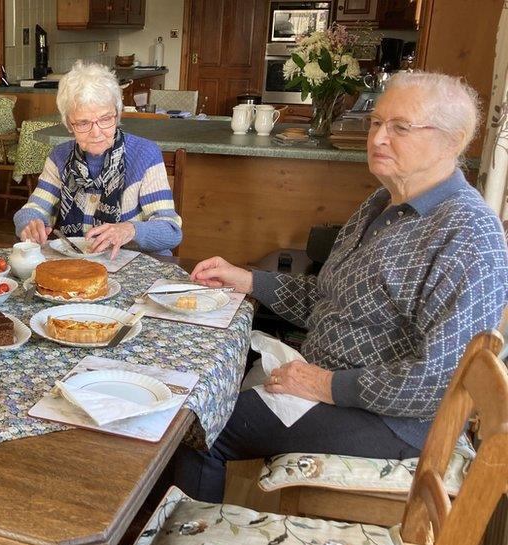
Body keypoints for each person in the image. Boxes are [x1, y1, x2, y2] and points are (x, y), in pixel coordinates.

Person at [178, 72, 508, 502]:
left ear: (453, 140)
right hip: (333, 382)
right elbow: (327, 299)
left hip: (393, 421)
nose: (378, 138)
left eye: (400, 127)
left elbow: (440, 382)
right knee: (197, 377)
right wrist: (248, 280)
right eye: (375, 123)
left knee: (199, 426)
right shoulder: (383, 203)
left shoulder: (467, 232)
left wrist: (324, 385)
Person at [13, 60, 182, 259]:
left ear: (117, 115)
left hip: (140, 266)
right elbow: (33, 210)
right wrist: (30, 224)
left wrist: (131, 230)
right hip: (80, 267)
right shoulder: (59, 157)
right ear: (69, 124)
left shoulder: (145, 154)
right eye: (83, 123)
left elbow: (171, 231)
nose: (96, 132)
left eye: (105, 119)